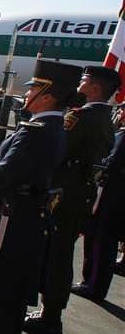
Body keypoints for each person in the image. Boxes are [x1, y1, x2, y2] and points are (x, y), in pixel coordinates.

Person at [0, 60, 83, 334]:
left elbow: (3, 176)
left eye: (32, 88)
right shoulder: (54, 129)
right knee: (2, 308)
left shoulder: (37, 133)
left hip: (10, 226)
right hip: (27, 222)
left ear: (47, 96)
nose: (27, 93)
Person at [23, 65, 119, 333]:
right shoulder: (105, 117)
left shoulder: (80, 117)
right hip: (82, 195)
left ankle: (50, 316)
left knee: (55, 258)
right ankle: (50, 311)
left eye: (85, 80)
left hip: (64, 197)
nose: (80, 84)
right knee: (61, 256)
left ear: (95, 88)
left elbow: (57, 150)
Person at [71, 102, 125, 303]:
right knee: (104, 242)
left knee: (100, 241)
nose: (119, 112)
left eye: (122, 110)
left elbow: (109, 163)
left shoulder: (123, 135)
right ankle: (93, 283)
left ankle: (92, 286)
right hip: (116, 196)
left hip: (110, 195)